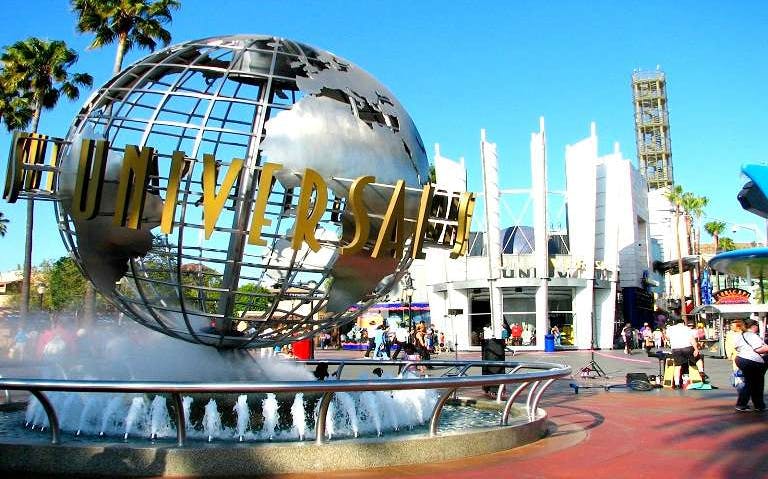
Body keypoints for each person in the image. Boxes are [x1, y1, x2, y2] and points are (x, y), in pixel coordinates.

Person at [731, 319, 768, 411]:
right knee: (756, 384)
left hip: (741, 359)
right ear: (754, 326)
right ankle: (757, 405)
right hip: (752, 361)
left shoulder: (740, 335)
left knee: (750, 382)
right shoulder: (752, 336)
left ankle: (747, 404)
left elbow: (737, 347)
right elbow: (758, 349)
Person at [667, 317, 709, 387]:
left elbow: (667, 337)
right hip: (687, 348)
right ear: (683, 323)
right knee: (698, 358)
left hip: (675, 349)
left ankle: (677, 384)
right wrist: (696, 349)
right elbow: (692, 339)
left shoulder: (670, 329)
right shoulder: (687, 329)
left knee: (677, 366)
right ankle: (701, 372)